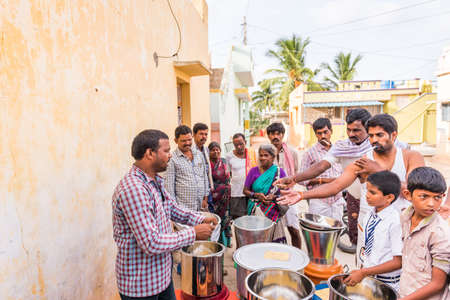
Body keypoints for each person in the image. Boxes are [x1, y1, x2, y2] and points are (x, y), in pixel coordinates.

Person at [278, 114, 425, 263]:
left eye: (379, 135)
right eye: (371, 135)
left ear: (394, 135)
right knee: (366, 266)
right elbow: (336, 186)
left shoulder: (411, 157)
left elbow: (416, 193)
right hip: (369, 224)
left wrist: (378, 171)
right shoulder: (363, 162)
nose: (374, 140)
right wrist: (301, 195)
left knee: (400, 268)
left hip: (402, 224)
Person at [112, 129, 217, 300]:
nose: (170, 155)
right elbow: (151, 242)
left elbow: (174, 209)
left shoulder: (155, 181)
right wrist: (193, 233)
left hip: (161, 277)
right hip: (141, 285)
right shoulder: (134, 189)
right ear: (149, 153)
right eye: (167, 151)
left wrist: (202, 217)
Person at [276, 108, 372, 251]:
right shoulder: (342, 147)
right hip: (347, 199)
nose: (351, 134)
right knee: (358, 247)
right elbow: (323, 168)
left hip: (374, 202)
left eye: (356, 130)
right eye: (349, 130)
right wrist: (294, 179)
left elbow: (337, 184)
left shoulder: (375, 148)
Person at [344, 171, 403, 291]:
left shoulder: (396, 222)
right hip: (369, 275)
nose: (367, 195)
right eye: (367, 190)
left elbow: (398, 262)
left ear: (389, 197)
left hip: (387, 283)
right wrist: (362, 269)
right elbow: (368, 247)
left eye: (373, 192)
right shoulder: (370, 215)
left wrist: (364, 272)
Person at [399, 167, 449, 300]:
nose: (431, 204)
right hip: (405, 291)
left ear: (443, 197)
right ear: (408, 195)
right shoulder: (404, 217)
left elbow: (438, 284)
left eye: (437, 197)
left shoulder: (440, 233)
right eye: (424, 197)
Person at [299, 118, 344, 220]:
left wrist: (324, 180)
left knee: (336, 233)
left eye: (325, 132)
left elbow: (344, 174)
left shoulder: (339, 150)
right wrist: (319, 181)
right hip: (319, 201)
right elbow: (302, 179)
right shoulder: (310, 153)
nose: (323, 136)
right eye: (319, 133)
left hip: (337, 201)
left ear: (331, 131)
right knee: (318, 233)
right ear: (315, 134)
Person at [266, 122, 302, 249]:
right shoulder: (264, 154)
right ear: (268, 136)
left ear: (282, 135)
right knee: (270, 231)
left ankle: (297, 257)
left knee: (294, 229)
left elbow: (296, 174)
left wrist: (289, 186)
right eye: (272, 134)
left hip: (288, 196)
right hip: (269, 198)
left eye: (278, 133)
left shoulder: (292, 152)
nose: (275, 136)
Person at [243, 144, 288, 243]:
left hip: (273, 211)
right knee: (257, 239)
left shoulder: (280, 173)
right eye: (261, 155)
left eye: (266, 155)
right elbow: (245, 191)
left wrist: (275, 196)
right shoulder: (253, 171)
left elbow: (286, 193)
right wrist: (256, 195)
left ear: (273, 157)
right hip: (256, 209)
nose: (262, 158)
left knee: (271, 240)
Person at [165, 125, 209, 211]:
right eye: (183, 141)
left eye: (189, 140)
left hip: (200, 206)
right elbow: (169, 187)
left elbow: (204, 177)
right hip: (184, 209)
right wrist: (175, 209)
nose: (187, 143)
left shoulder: (198, 154)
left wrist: (205, 197)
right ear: (176, 141)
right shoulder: (172, 159)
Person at [226, 133, 257, 219]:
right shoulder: (229, 156)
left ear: (245, 142)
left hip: (251, 192)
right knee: (238, 219)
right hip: (236, 193)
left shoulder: (252, 154)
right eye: (236, 145)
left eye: (241, 144)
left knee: (251, 218)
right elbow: (229, 174)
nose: (239, 147)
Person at [208, 141, 232, 247]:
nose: (215, 151)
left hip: (225, 196)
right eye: (213, 150)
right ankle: (216, 241)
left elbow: (229, 176)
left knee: (226, 218)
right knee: (215, 218)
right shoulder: (207, 164)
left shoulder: (224, 161)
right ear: (208, 152)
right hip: (214, 197)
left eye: (217, 149)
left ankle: (227, 242)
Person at [192, 123, 214, 192]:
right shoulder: (190, 151)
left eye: (206, 134)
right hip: (196, 190)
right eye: (201, 134)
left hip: (207, 188)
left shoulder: (206, 149)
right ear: (194, 135)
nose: (204, 136)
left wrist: (211, 185)